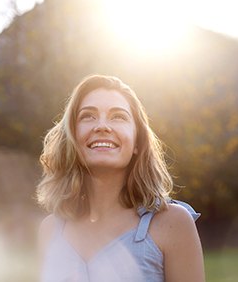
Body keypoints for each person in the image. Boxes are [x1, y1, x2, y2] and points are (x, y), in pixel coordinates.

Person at [37, 74, 205, 282]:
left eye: (118, 116)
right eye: (88, 116)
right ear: (72, 137)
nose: (102, 126)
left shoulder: (172, 223)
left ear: (137, 142)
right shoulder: (51, 230)